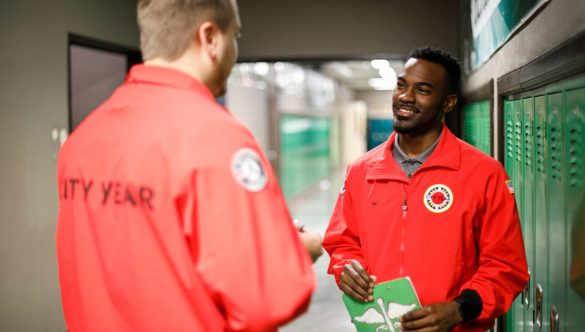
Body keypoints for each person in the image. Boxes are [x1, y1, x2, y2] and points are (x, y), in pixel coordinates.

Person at [56, 0, 322, 331]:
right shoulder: (218, 139)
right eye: (235, 35)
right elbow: (267, 301)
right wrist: (295, 252)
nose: (235, 48)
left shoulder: (82, 139)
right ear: (210, 38)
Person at [323, 47, 529, 331]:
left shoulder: (484, 174)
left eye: (423, 89)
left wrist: (459, 309)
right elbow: (342, 243)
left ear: (448, 103)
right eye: (401, 85)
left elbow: (506, 267)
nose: (405, 97)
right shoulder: (362, 171)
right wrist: (346, 267)